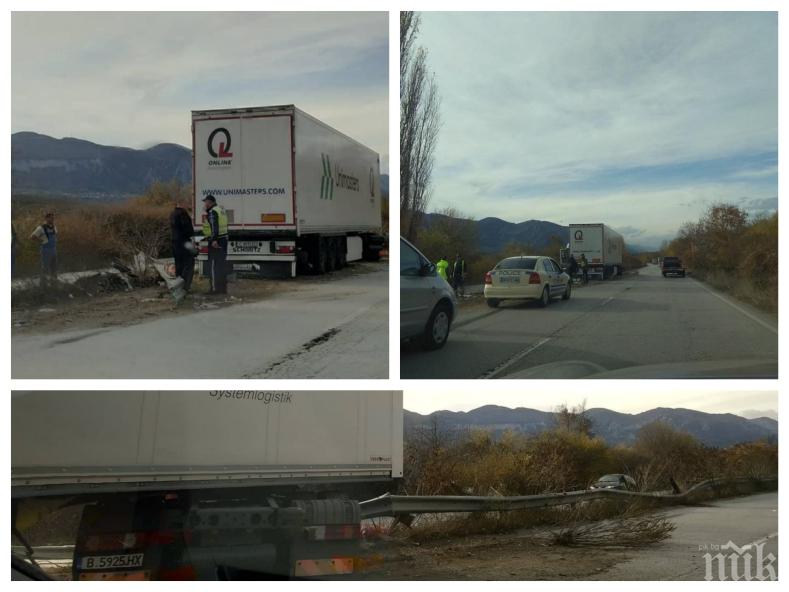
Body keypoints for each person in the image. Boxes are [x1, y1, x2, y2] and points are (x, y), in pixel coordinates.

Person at [201, 194, 229, 295]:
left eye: (206, 202)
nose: (205, 204)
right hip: (223, 239)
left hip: (216, 241)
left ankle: (214, 289)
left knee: (213, 265)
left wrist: (213, 240)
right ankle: (222, 289)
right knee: (222, 265)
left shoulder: (213, 212)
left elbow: (214, 227)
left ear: (211, 202)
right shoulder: (220, 210)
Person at [170, 200, 196, 291]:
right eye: (187, 203)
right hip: (184, 243)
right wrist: (192, 239)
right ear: (182, 204)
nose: (188, 205)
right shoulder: (183, 214)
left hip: (175, 243)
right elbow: (187, 229)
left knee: (178, 265)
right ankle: (185, 286)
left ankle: (178, 286)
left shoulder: (173, 214)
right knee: (188, 264)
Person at [29, 212, 58, 287]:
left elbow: (55, 236)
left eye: (53, 218)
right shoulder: (41, 228)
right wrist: (41, 241)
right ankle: (43, 285)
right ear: (46, 218)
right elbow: (32, 237)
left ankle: (54, 284)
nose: (52, 219)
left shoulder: (54, 227)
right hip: (45, 250)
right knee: (45, 268)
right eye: (51, 218)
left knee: (54, 268)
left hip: (54, 250)